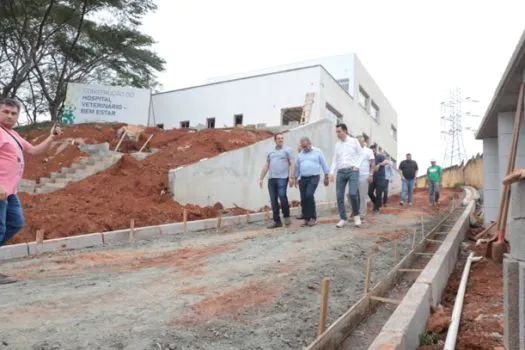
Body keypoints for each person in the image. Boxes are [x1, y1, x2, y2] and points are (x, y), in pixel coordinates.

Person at [0, 98, 62, 284]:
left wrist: (52, 137)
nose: (10, 116)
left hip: (10, 192)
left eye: (14, 113)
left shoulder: (12, 134)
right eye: (6, 111)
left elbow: (34, 151)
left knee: (15, 223)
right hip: (0, 191)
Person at [329, 123, 363, 228]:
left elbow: (361, 154)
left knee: (353, 194)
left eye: (339, 131)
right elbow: (335, 159)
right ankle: (343, 218)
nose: (337, 134)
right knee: (339, 196)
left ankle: (356, 215)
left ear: (345, 131)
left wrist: (357, 166)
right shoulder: (337, 144)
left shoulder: (354, 141)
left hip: (353, 171)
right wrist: (331, 173)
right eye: (336, 132)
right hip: (341, 172)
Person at [259, 133, 295, 228]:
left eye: (282, 138)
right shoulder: (270, 152)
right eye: (278, 138)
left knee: (282, 196)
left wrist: (292, 177)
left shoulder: (288, 150)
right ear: (274, 140)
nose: (280, 140)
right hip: (272, 179)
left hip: (283, 178)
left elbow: (292, 164)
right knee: (273, 200)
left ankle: (286, 217)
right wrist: (261, 178)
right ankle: (277, 221)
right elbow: (266, 165)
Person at [294, 137, 329, 227]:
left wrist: (326, 176)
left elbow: (324, 163)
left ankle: (313, 218)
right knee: (303, 198)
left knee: (309, 194)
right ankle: (306, 218)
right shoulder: (300, 154)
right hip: (303, 178)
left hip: (314, 177)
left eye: (305, 146)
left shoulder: (318, 151)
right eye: (302, 146)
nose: (304, 148)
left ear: (310, 144)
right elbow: (297, 167)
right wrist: (295, 178)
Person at [356, 135, 375, 221]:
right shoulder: (354, 150)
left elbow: (372, 163)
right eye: (358, 141)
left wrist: (371, 174)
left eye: (361, 141)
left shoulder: (369, 151)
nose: (360, 143)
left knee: (362, 196)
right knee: (351, 194)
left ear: (363, 142)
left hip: (364, 175)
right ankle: (355, 211)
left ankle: (362, 215)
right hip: (354, 175)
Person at [368, 144, 389, 213]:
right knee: (370, 192)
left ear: (375, 150)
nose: (372, 153)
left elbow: (386, 161)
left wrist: (379, 164)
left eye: (373, 151)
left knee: (378, 193)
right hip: (372, 177)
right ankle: (378, 203)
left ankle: (376, 208)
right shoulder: (370, 158)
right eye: (371, 152)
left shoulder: (380, 156)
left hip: (380, 178)